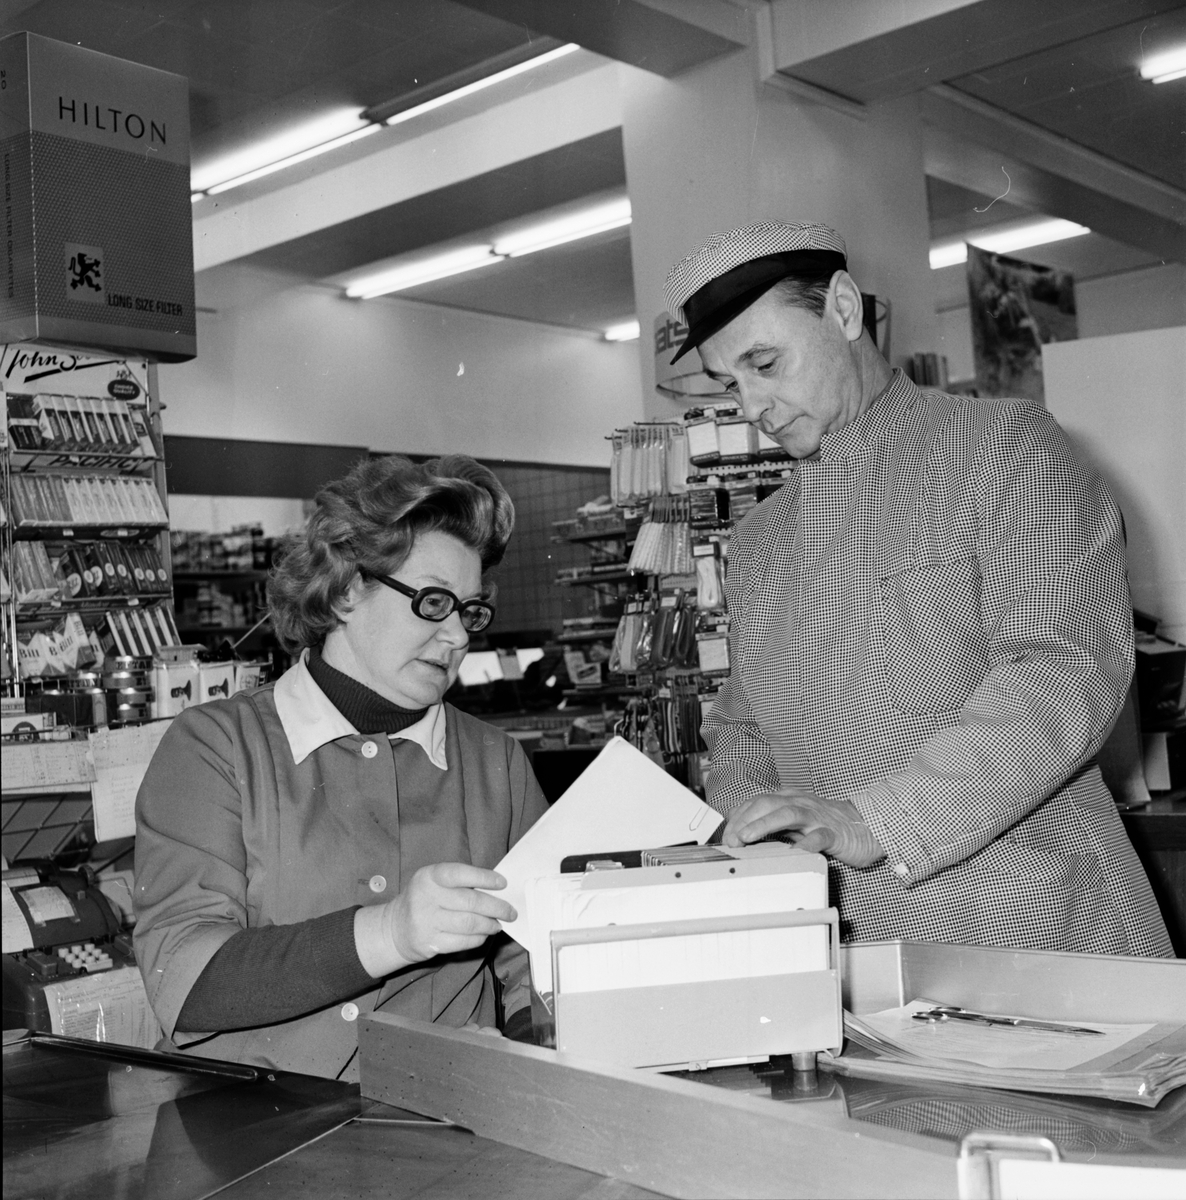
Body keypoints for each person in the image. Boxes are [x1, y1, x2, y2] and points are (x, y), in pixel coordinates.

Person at [665, 221, 1171, 956]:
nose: (751, 405)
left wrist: (876, 821)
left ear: (843, 309)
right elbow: (742, 726)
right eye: (729, 382)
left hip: (1031, 931)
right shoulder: (760, 541)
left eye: (765, 362)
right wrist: (750, 829)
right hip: (847, 955)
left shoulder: (1006, 448)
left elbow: (1064, 672)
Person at [134, 455, 548, 1080]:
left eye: (469, 611)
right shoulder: (216, 748)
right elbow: (185, 978)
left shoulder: (495, 762)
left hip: (436, 1133)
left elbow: (535, 964)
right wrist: (390, 933)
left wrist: (527, 1046)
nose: (459, 636)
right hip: (245, 1139)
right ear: (349, 587)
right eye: (434, 602)